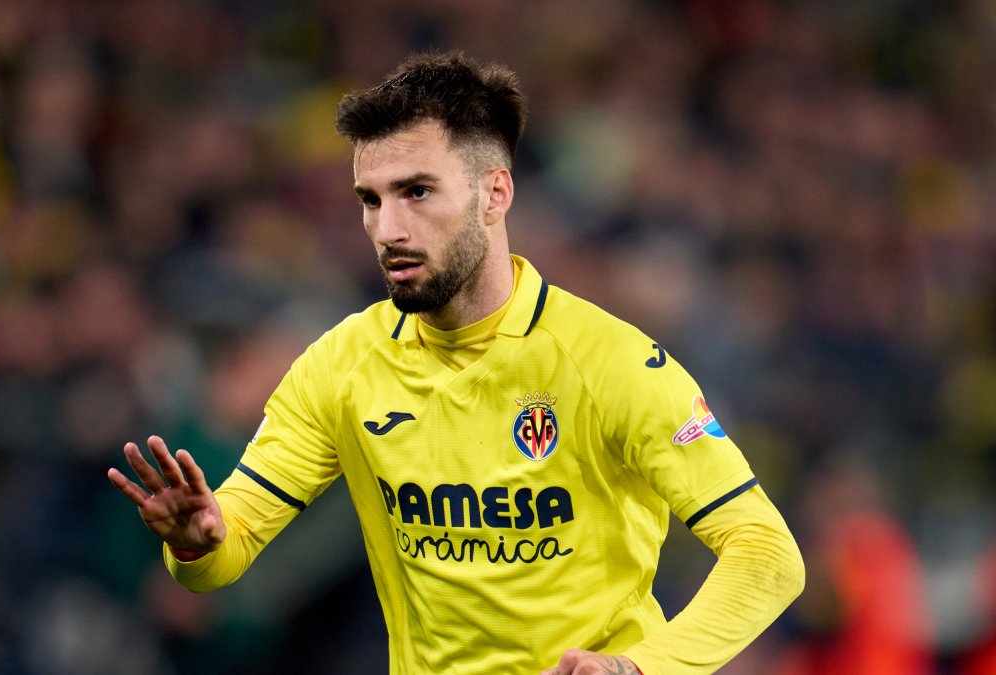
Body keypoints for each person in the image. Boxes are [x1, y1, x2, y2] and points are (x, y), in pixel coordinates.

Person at [108, 51, 805, 675]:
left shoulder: (613, 363)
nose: (387, 228)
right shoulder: (341, 365)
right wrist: (197, 541)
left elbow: (768, 555)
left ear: (494, 193)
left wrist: (643, 667)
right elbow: (227, 546)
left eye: (416, 192)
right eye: (371, 201)